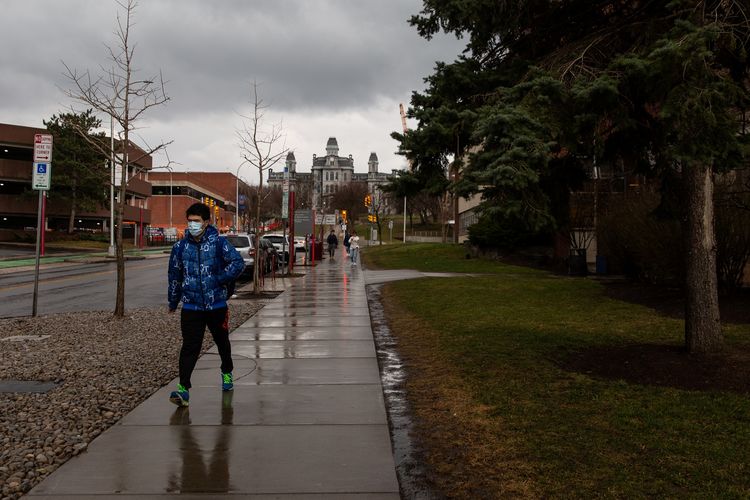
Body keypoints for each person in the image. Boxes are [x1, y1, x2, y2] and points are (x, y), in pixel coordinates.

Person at [167, 203, 245, 407]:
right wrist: (173, 300)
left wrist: (220, 279)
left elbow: (237, 263)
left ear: (206, 222)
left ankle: (227, 372)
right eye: (190, 221)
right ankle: (183, 389)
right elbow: (174, 275)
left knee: (222, 342)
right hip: (191, 307)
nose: (192, 225)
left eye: (196, 221)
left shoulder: (219, 244)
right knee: (190, 347)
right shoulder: (180, 247)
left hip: (216, 305)